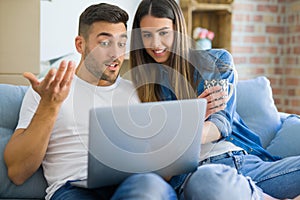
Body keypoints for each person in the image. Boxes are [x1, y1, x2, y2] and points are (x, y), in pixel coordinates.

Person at [4, 3, 177, 200]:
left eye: (121, 44)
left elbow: (164, 172)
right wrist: (49, 106)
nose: (116, 54)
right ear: (80, 45)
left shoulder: (137, 92)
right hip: (74, 189)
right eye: (105, 43)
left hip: (133, 186)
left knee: (149, 186)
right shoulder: (49, 90)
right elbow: (17, 172)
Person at [129, 0, 300, 199]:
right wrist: (196, 116)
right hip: (195, 176)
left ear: (178, 30)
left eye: (164, 33)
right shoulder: (139, 87)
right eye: (147, 35)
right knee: (209, 180)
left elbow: (219, 125)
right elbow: (157, 161)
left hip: (242, 163)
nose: (155, 44)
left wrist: (179, 133)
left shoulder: (215, 62)